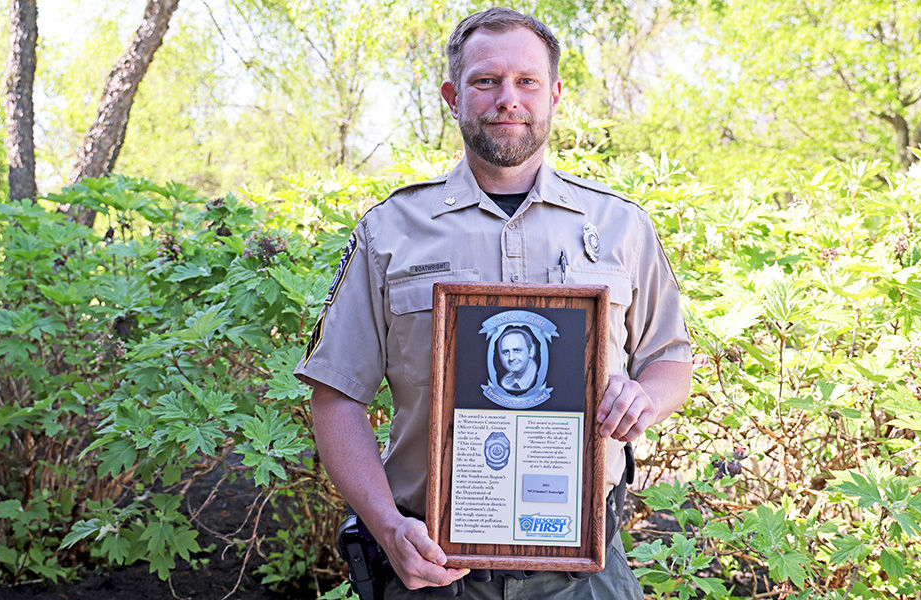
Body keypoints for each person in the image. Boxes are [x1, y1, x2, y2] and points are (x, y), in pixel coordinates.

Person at [294, 6, 692, 598]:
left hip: (582, 571)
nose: (508, 98)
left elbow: (670, 360)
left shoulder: (621, 226)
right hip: (431, 570)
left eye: (527, 81)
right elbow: (335, 396)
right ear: (454, 96)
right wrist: (387, 528)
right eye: (486, 81)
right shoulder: (390, 231)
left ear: (554, 94)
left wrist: (645, 397)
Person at [497, 327, 537, 393]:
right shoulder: (506, 382)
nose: (511, 358)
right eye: (506, 352)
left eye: (517, 350)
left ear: (531, 351)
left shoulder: (538, 377)